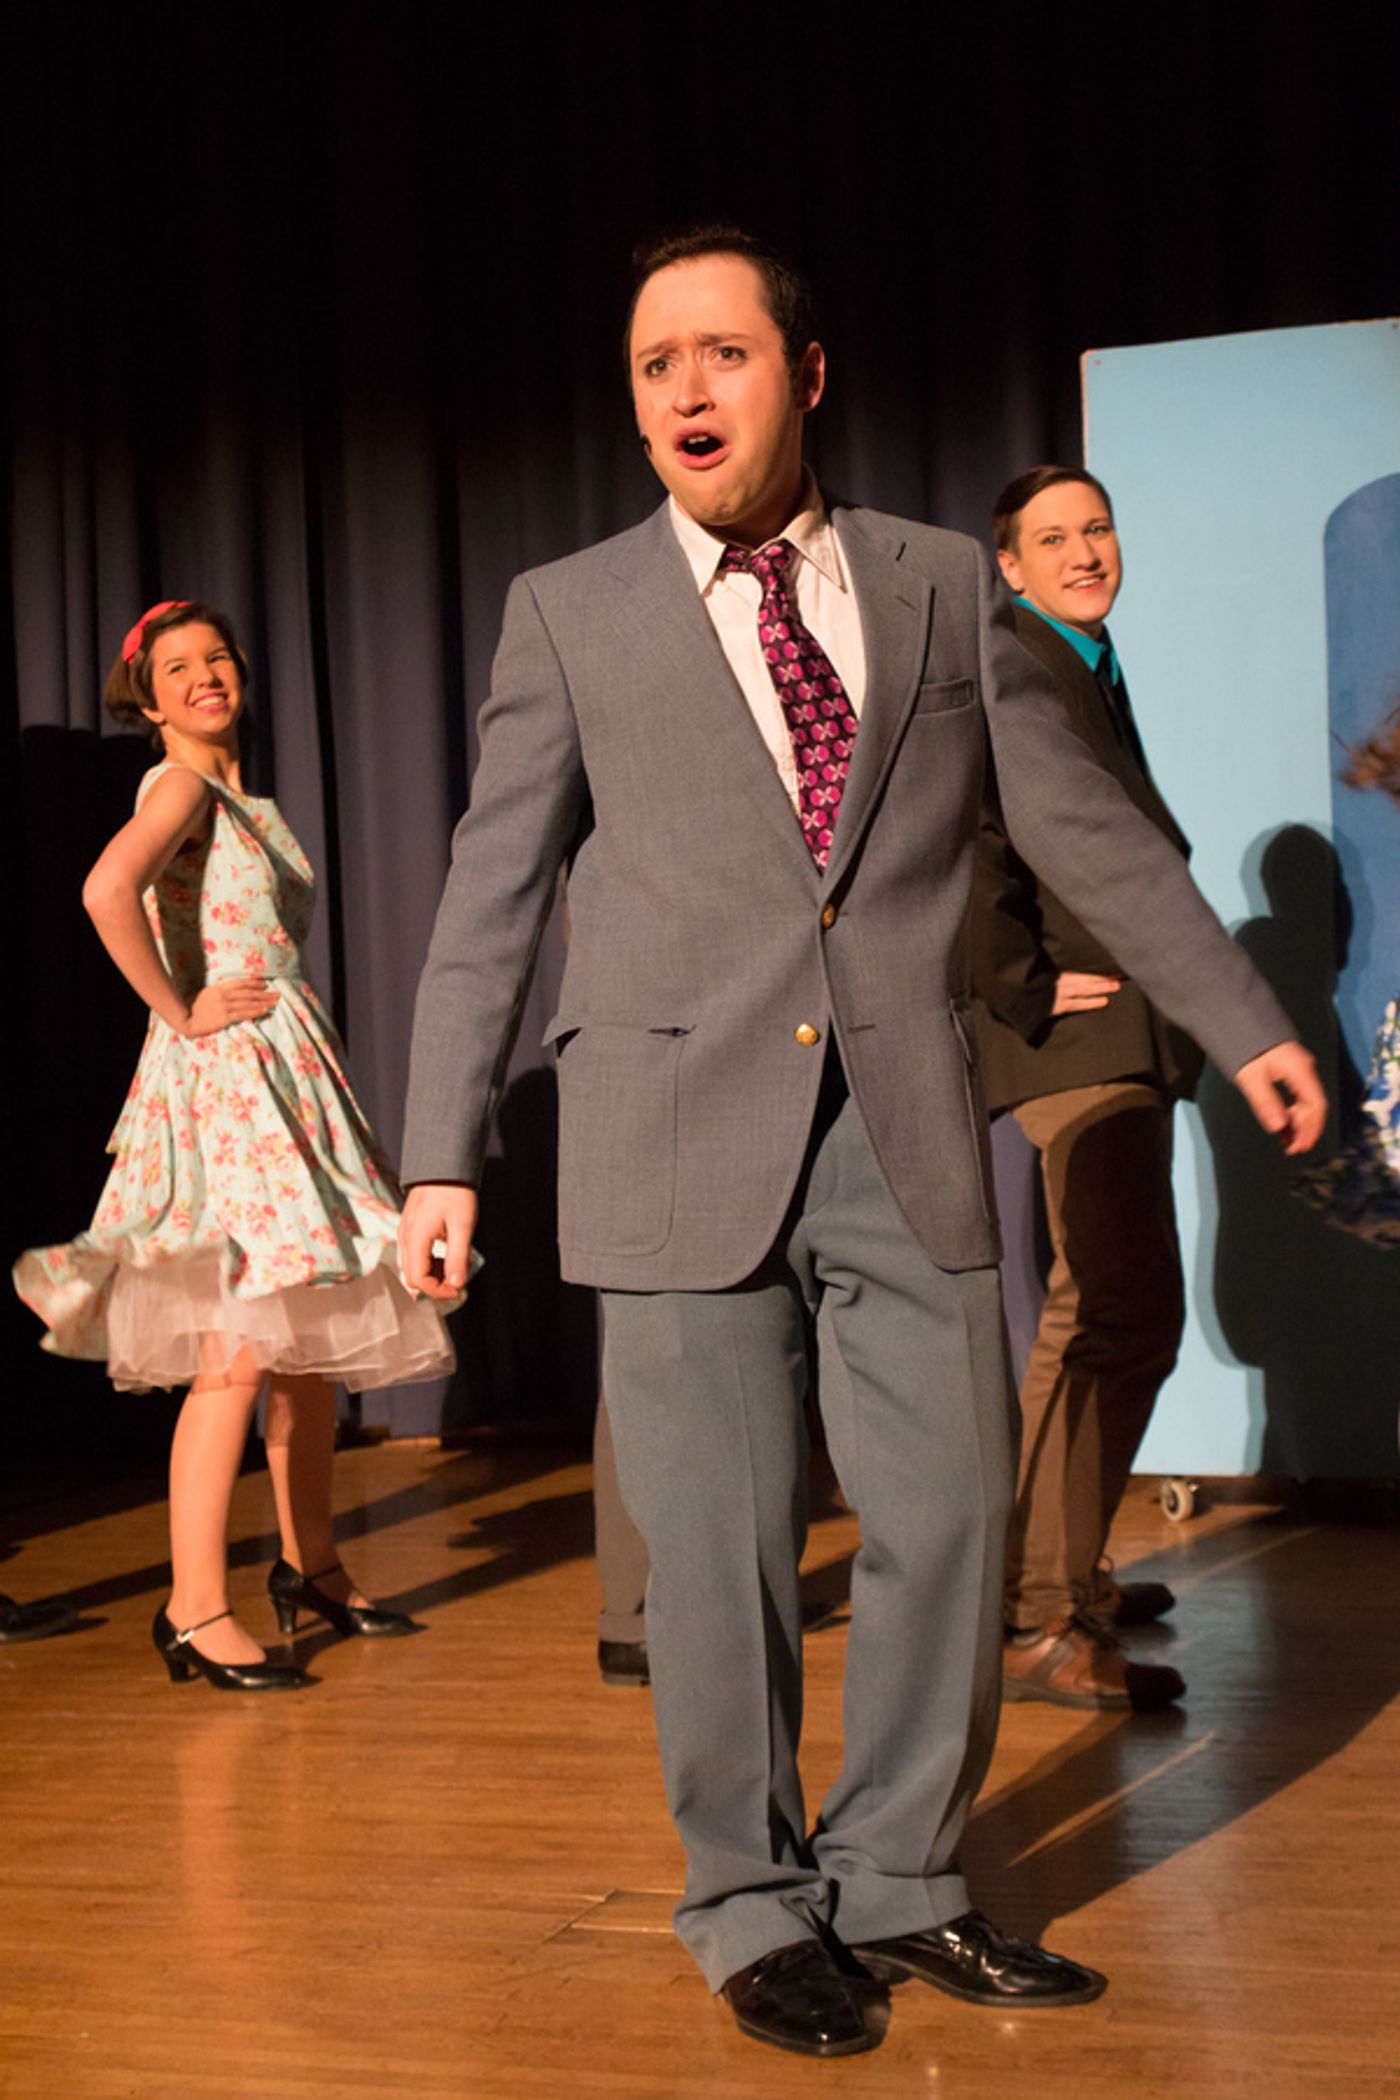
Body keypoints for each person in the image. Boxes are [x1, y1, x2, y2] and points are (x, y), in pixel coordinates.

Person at [397, 228, 1324, 2060]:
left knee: (953, 1521)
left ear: (803, 377)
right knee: (724, 1549)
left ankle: (899, 1880)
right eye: (656, 360)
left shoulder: (934, 588)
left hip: (901, 1119)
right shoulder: (570, 611)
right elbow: (488, 893)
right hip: (669, 1132)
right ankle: (747, 1904)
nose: (683, 390)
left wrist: (1245, 1015)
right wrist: (439, 1148)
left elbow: (1085, 829)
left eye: (722, 354)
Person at [14, 601, 457, 1692]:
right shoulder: (177, 785)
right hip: (232, 1078)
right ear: (148, 697)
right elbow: (102, 889)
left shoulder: (232, 794)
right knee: (241, 1346)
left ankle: (313, 1569)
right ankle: (192, 1606)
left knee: (303, 1344)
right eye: (180, 668)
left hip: (286, 1071)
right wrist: (178, 1007)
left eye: (217, 659)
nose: (207, 677)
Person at [973, 466, 1199, 1713]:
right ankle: (1032, 1612)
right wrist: (1014, 981)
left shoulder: (1084, 660)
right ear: (1007, 565)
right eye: (1051, 538)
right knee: (1103, 1307)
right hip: (1078, 1036)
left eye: (1095, 527)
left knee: (1128, 1310)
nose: (1082, 551)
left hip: (1126, 1025)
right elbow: (968, 825)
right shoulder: (1015, 658)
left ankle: (1068, 1570)